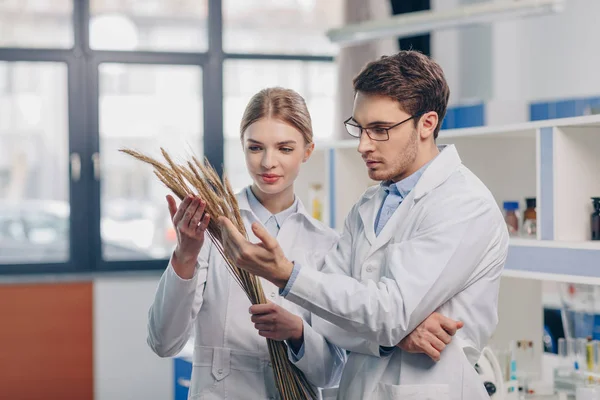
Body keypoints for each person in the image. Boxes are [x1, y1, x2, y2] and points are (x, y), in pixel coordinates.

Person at [219, 51, 510, 400]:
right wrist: (394, 336)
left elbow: (388, 311)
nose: (362, 144)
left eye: (380, 130)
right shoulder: (368, 206)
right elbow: (323, 317)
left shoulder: (463, 204)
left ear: (427, 123)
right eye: (359, 127)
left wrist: (288, 275)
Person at [146, 86, 462, 399]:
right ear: (242, 147)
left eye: (285, 148)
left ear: (307, 151)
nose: (268, 162)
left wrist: (297, 332)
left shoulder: (329, 244)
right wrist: (184, 255)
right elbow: (164, 342)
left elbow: (332, 371)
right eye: (255, 148)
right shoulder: (212, 229)